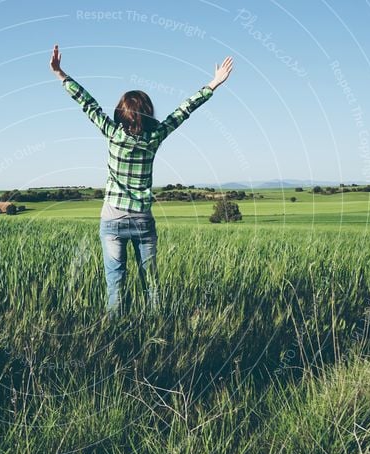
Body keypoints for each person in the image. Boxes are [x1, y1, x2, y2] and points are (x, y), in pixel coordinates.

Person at [50, 44, 233, 317]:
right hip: (142, 220)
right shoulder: (154, 137)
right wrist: (213, 84)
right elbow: (183, 111)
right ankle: (156, 331)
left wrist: (60, 73)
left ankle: (117, 338)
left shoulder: (112, 134)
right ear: (148, 113)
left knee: (115, 284)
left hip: (112, 220)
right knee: (152, 285)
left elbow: (87, 103)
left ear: (120, 114)